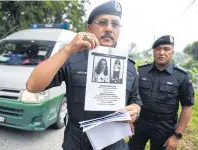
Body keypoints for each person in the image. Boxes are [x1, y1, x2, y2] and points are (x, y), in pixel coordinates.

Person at [26, 1, 142, 150]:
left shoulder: (129, 66)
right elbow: (32, 85)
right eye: (102, 22)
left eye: (115, 24)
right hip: (77, 143)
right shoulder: (72, 58)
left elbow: (135, 100)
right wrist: (67, 49)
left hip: (114, 145)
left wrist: (136, 110)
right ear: (89, 28)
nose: (108, 28)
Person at [128, 35, 194, 150]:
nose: (161, 52)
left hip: (165, 127)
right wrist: (130, 122)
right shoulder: (141, 71)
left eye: (166, 49)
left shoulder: (182, 76)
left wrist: (177, 136)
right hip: (140, 124)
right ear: (153, 51)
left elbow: (187, 107)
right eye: (157, 49)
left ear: (172, 51)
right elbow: (133, 96)